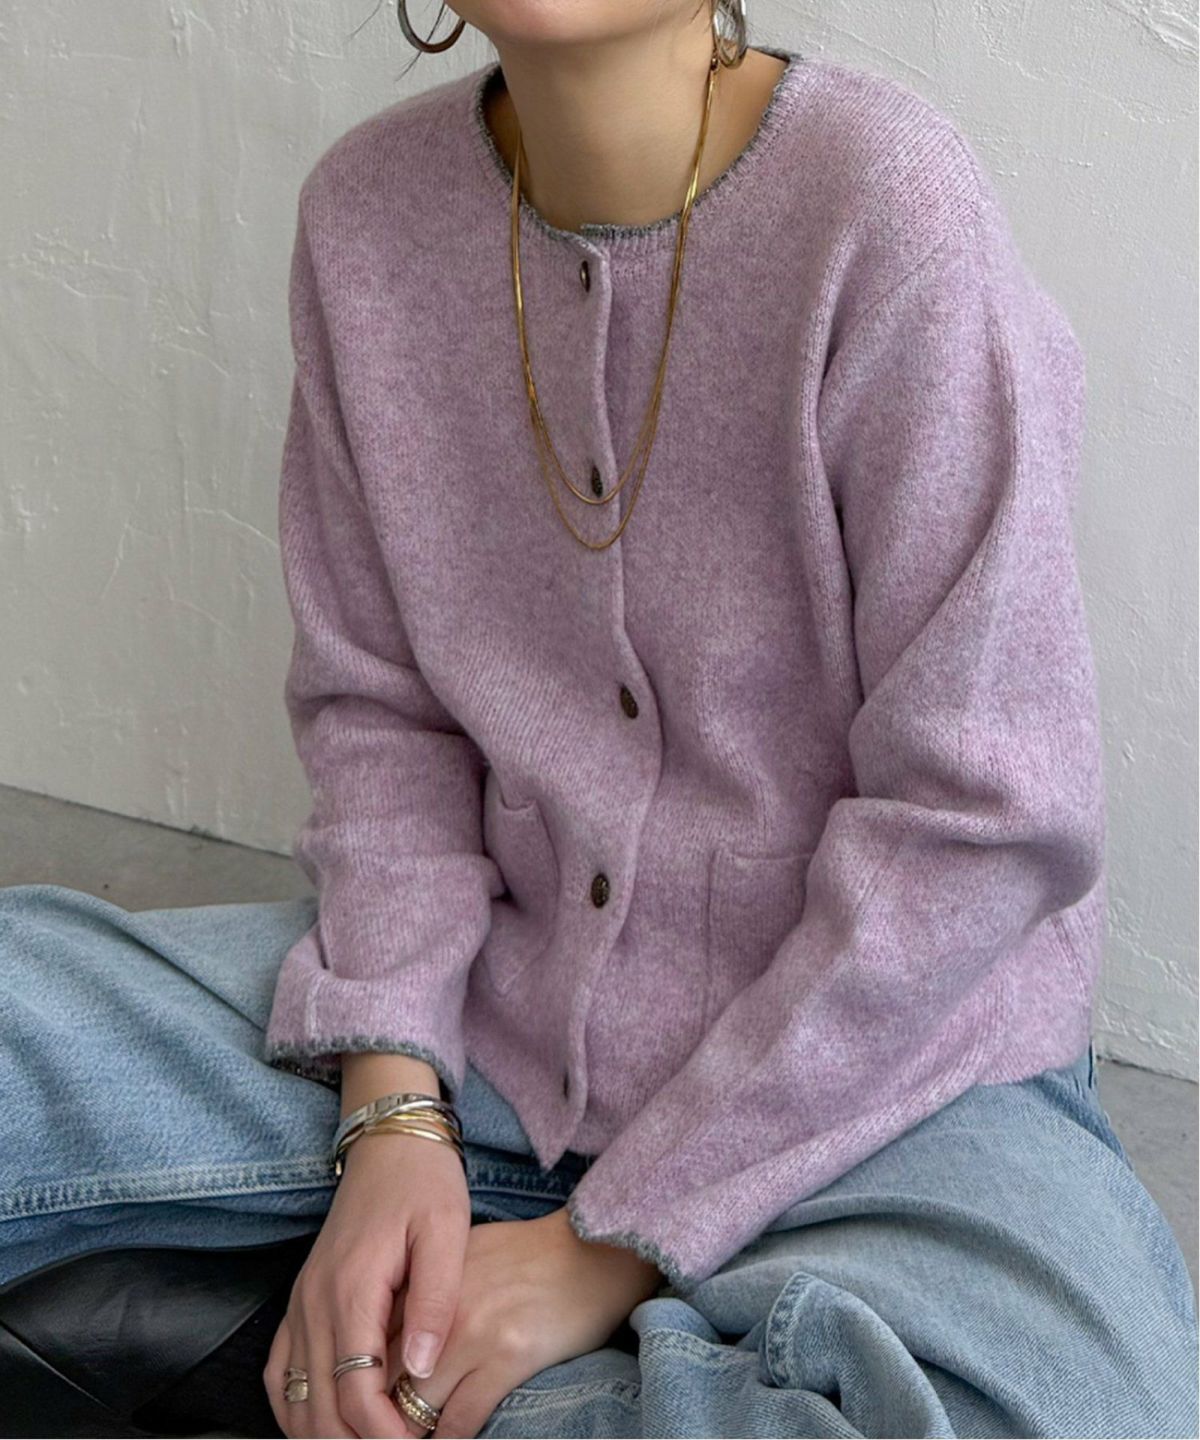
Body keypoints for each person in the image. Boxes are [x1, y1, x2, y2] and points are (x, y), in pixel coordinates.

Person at [1, 2, 1197, 1437]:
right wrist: (392, 1107)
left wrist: (606, 1247)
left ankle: (399, 1364)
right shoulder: (366, 218)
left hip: (887, 1081)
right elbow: (382, 719)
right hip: (488, 1021)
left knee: (1065, 1409)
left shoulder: (888, 209)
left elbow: (982, 830)